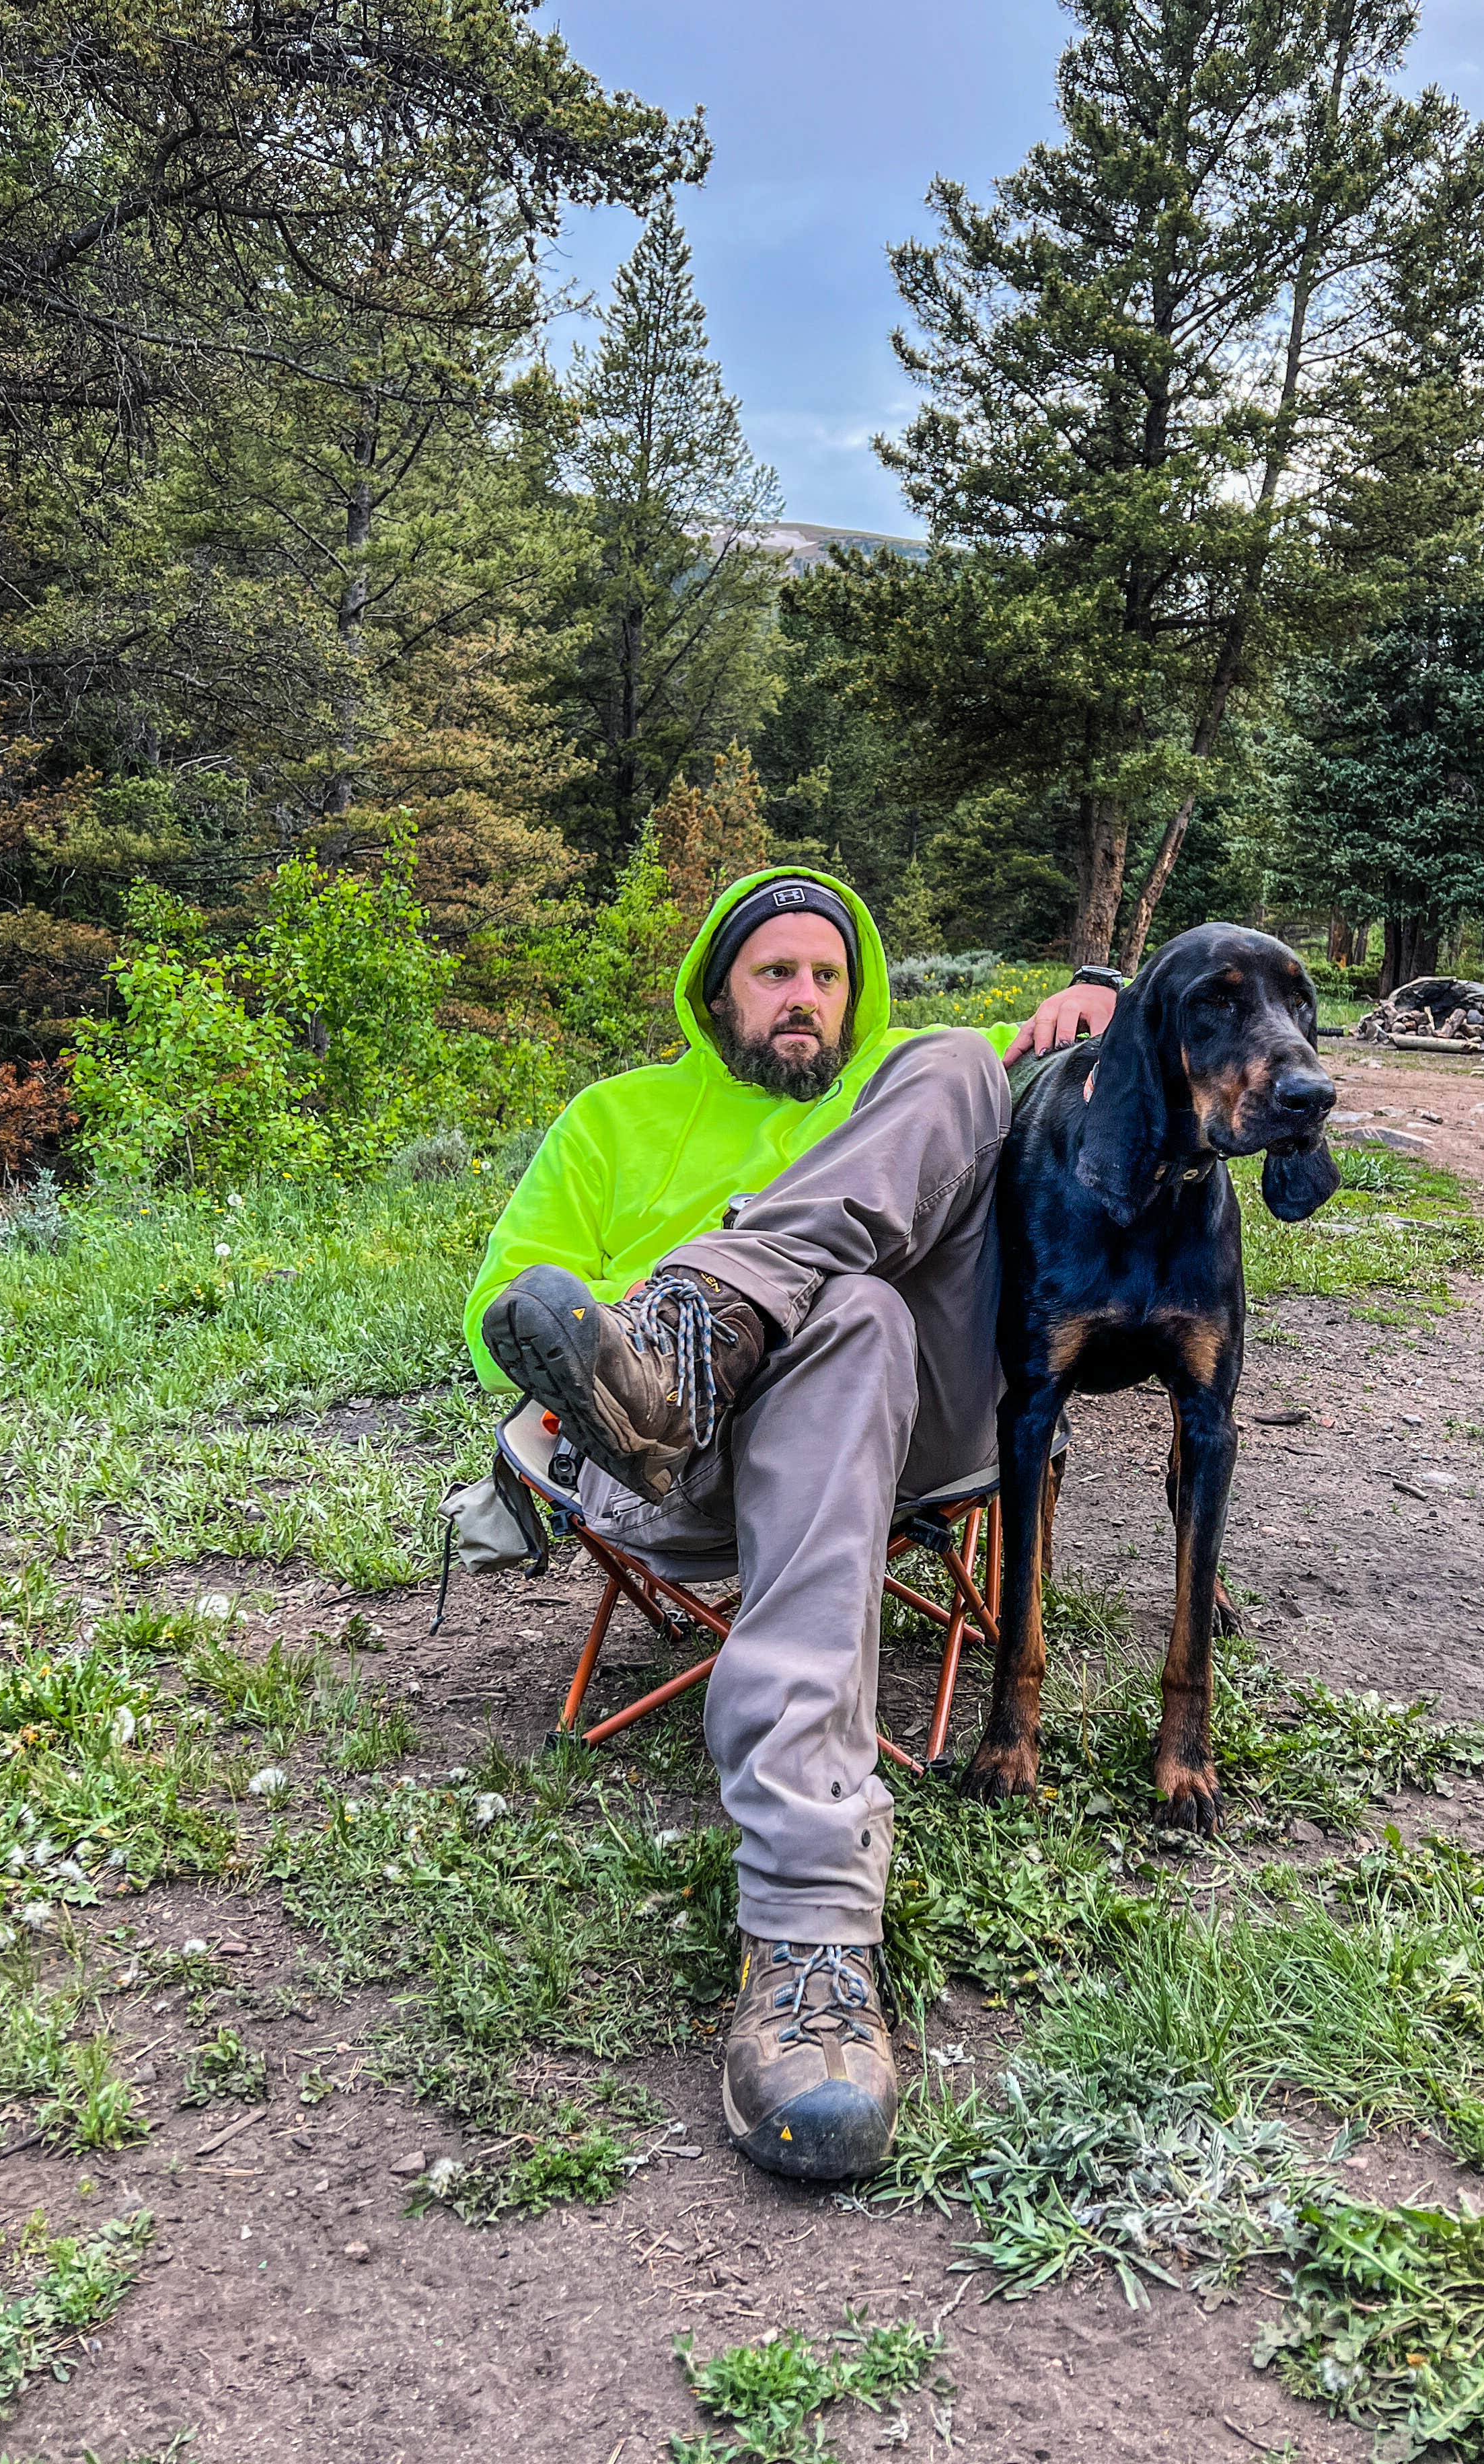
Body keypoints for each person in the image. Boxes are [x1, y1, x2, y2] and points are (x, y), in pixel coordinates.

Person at [463, 868, 1118, 2181]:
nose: (805, 998)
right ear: (719, 995)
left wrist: (1109, 989)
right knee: (857, 1311)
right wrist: (640, 1298)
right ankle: (812, 1919)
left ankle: (710, 1329)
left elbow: (1054, 1044)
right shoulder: (615, 1118)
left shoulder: (898, 1080)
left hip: (898, 1435)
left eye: (828, 976)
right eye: (776, 974)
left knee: (950, 1077)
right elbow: (501, 1316)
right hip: (667, 1463)